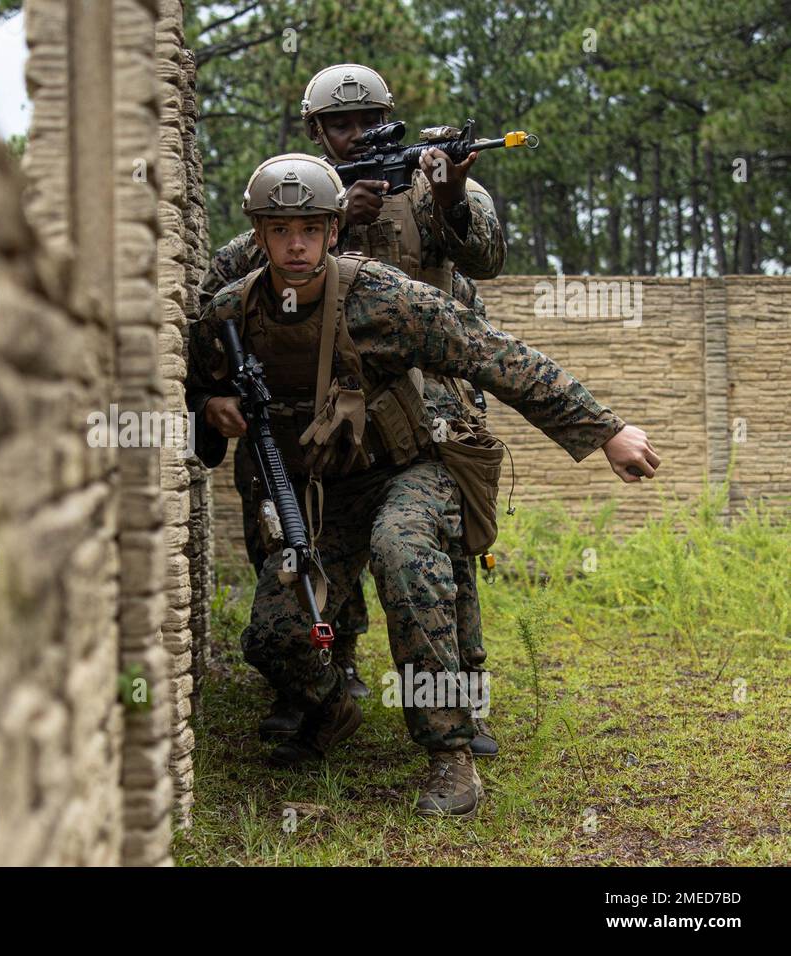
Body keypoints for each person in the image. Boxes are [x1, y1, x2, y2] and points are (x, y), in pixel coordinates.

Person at [187, 154, 659, 816]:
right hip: (328, 491)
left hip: (413, 467)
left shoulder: (384, 298)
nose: (296, 245)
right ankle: (331, 708)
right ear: (258, 237)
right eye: (279, 229)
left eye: (310, 229)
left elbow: (496, 355)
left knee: (402, 551)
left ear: (331, 231)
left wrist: (604, 431)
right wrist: (209, 408)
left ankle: (450, 755)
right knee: (272, 633)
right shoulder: (230, 316)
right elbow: (191, 382)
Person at [197, 63, 509, 755]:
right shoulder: (300, 196)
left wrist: (450, 193)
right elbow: (223, 285)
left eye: (369, 120)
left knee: (434, 557)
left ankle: (459, 703)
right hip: (314, 412)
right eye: (341, 123)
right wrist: (333, 217)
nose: (357, 132)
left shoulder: (432, 183)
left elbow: (486, 258)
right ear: (316, 131)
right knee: (286, 534)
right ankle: (317, 681)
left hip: (427, 399)